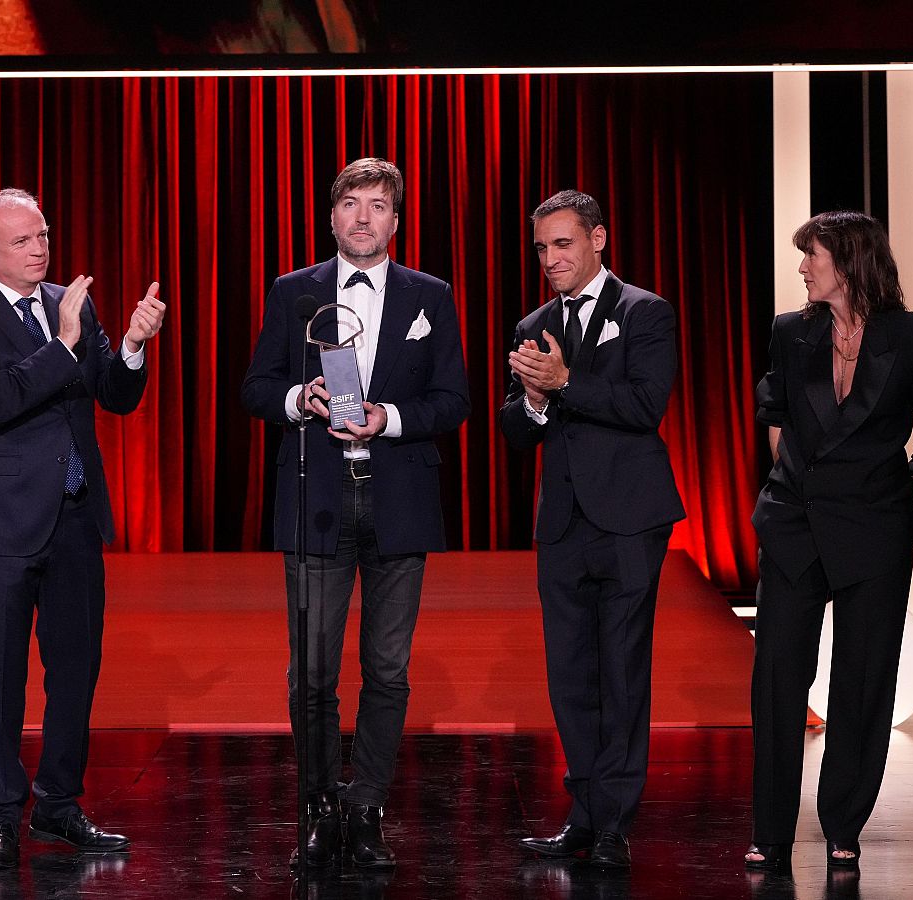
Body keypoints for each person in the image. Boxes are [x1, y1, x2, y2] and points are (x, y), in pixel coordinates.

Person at [240, 158, 469, 869]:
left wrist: (389, 417)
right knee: (310, 671)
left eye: (377, 205)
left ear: (396, 222)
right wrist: (296, 399)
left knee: (388, 669)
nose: (363, 217)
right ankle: (316, 809)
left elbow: (453, 400)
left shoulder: (430, 293)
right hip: (316, 498)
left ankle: (365, 810)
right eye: (351, 204)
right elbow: (255, 387)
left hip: (398, 498)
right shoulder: (292, 292)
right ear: (331, 217)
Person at [0, 188, 166, 870]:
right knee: (0, 676)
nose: (40, 249)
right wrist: (65, 343)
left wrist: (129, 344)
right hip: (1, 524)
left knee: (74, 671)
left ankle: (59, 806)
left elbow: (114, 397)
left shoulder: (73, 300)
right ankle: (3, 816)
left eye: (42, 235)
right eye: (23, 241)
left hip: (72, 517)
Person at [741, 211, 913, 871]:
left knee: (863, 683)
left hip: (874, 528)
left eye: (814, 256)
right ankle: (771, 830)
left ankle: (843, 825)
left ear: (851, 262)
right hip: (795, 525)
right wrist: (793, 483)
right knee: (778, 680)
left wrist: (907, 491)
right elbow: (773, 413)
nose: (803, 268)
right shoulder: (789, 331)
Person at [501, 189, 685, 870]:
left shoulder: (645, 311)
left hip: (631, 521)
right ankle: (584, 813)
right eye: (542, 248)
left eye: (564, 244)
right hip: (563, 522)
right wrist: (534, 399)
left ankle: (614, 822)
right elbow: (514, 428)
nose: (551, 259)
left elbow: (645, 404)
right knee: (570, 675)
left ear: (598, 239)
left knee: (622, 673)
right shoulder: (532, 321)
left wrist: (566, 381)